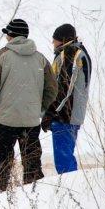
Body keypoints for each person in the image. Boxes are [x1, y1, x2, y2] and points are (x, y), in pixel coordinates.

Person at [0, 19, 57, 196]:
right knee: (32, 164)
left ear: (10, 35)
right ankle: (35, 200)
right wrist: (39, 108)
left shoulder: (1, 56)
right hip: (30, 121)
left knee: (1, 164)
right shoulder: (40, 58)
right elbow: (52, 89)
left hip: (5, 120)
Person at [41, 23, 92, 173]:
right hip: (71, 114)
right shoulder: (78, 52)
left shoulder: (70, 54)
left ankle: (68, 192)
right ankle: (70, 189)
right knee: (66, 157)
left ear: (63, 40)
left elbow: (64, 89)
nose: (53, 42)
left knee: (64, 162)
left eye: (55, 39)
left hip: (65, 116)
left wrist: (51, 113)